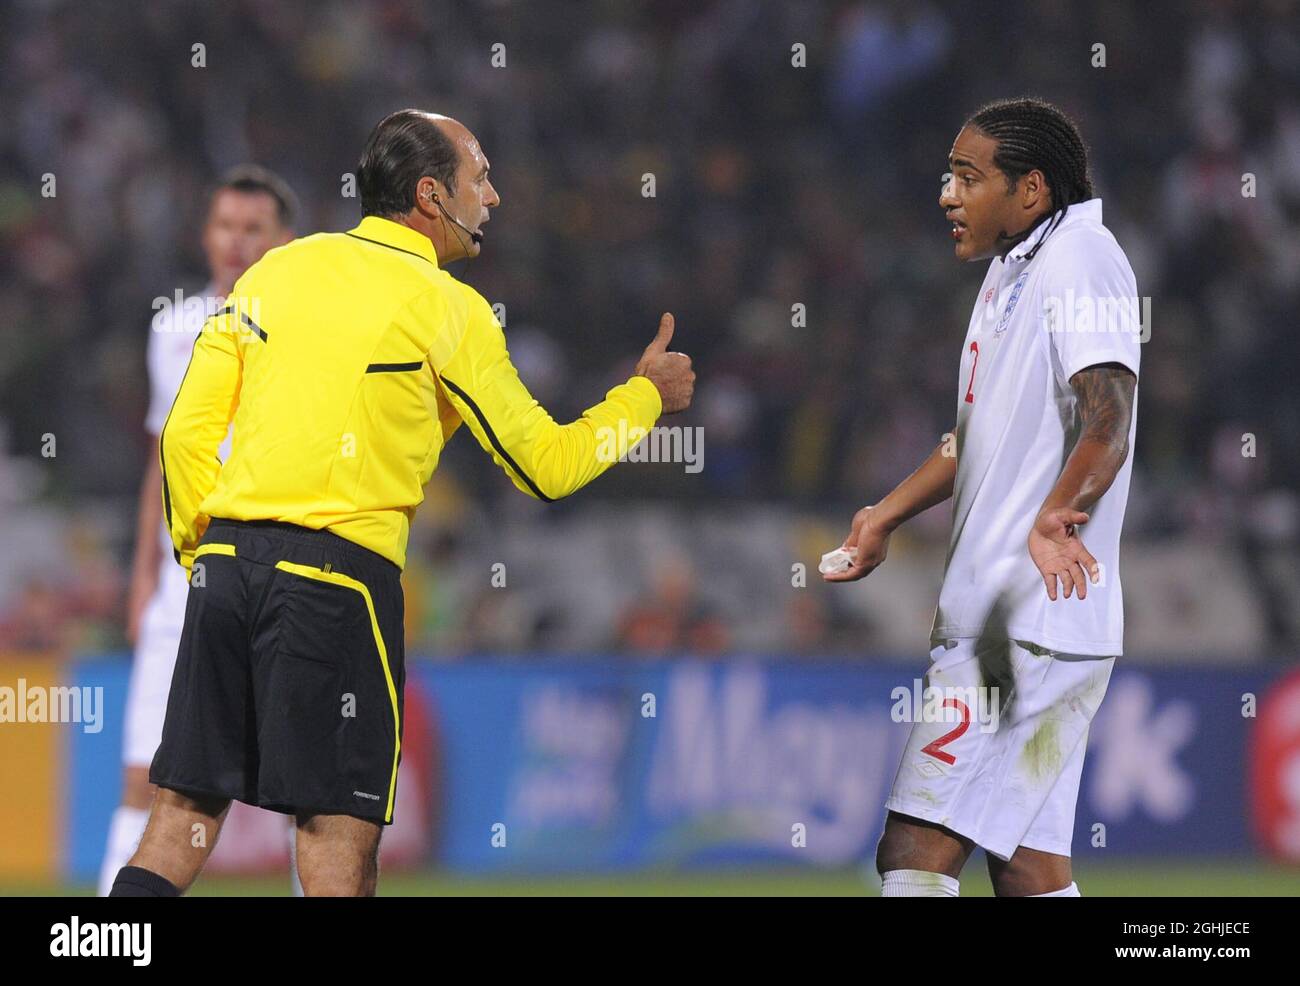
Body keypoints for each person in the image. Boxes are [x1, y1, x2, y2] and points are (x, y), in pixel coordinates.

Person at [108, 109, 694, 897]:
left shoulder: (276, 272)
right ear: (431, 194)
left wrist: (200, 553)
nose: (495, 195)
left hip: (222, 573)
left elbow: (185, 433)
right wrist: (643, 400)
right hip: (337, 583)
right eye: (480, 175)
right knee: (335, 838)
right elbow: (547, 467)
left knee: (177, 820)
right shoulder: (448, 308)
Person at [826, 97, 1140, 897]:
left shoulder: (1081, 257)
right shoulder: (1015, 269)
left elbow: (1110, 411)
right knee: (1028, 868)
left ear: (1030, 190)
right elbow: (977, 434)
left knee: (915, 851)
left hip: (1022, 624)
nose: (947, 194)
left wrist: (1054, 516)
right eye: (948, 175)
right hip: (1029, 626)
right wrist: (886, 515)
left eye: (968, 177)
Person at [99, 166, 298, 896]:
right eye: (224, 226)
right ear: (205, 234)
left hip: (280, 572)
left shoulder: (304, 330)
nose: (236, 242)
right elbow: (161, 456)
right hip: (184, 577)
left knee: (306, 790)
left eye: (253, 229)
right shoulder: (173, 328)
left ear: (285, 241)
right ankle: (109, 940)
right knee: (142, 773)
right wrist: (144, 576)